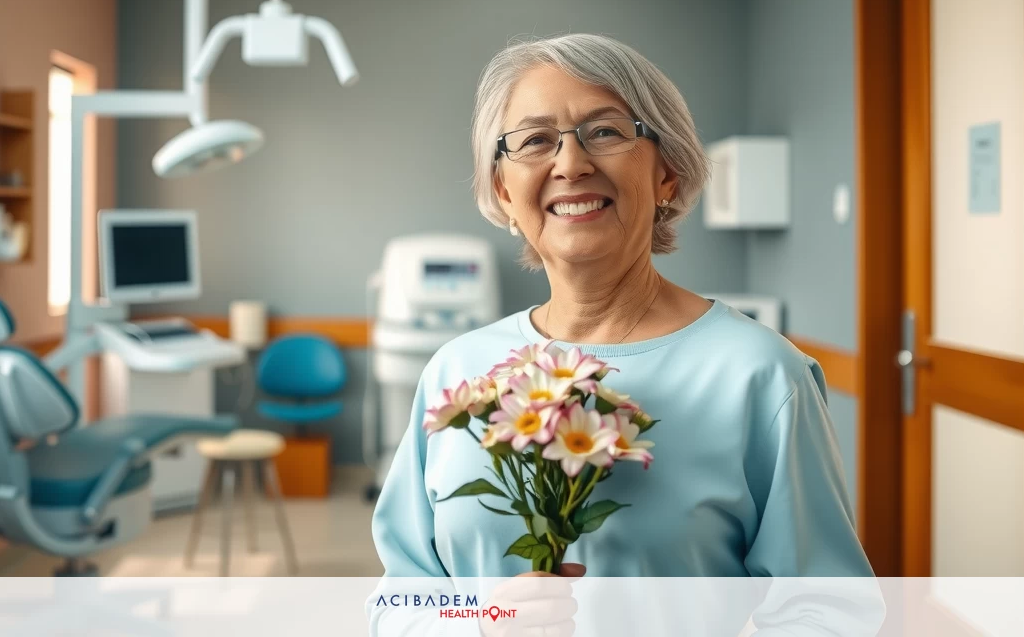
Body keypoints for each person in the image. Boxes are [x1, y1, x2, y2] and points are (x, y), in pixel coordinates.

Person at [370, 34, 873, 587]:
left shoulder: (762, 375)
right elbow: (400, 601)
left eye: (605, 131)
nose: (570, 163)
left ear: (668, 172)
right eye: (535, 140)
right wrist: (483, 622)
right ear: (504, 190)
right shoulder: (456, 376)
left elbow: (828, 608)